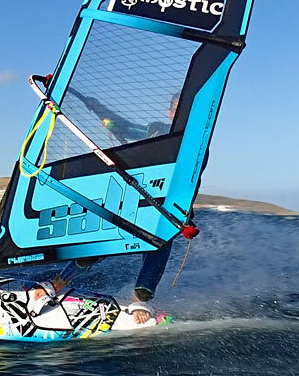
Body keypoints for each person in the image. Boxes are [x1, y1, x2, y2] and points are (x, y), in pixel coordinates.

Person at [29, 93, 191, 324]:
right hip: (133, 197)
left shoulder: (194, 143)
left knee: (159, 245)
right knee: (100, 239)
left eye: (184, 107)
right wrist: (97, 108)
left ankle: (141, 300)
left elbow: (190, 179)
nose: (179, 111)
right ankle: (59, 283)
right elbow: (121, 127)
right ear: (169, 112)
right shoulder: (155, 131)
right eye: (176, 107)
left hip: (164, 205)